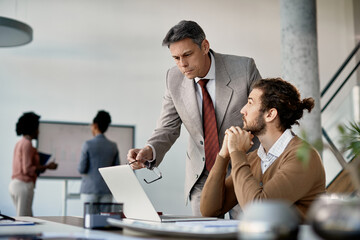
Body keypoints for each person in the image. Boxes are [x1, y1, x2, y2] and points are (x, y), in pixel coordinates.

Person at [127, 20, 261, 216]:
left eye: (187, 55)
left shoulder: (244, 68)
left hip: (243, 169)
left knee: (246, 231)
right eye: (176, 58)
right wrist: (150, 150)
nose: (182, 64)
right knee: (201, 233)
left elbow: (263, 116)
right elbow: (167, 127)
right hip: (202, 174)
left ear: (205, 46)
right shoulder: (173, 78)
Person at [200, 78, 326, 221]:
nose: (243, 110)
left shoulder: (303, 157)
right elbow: (209, 210)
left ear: (270, 114)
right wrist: (224, 156)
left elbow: (259, 212)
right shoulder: (254, 158)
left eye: (250, 103)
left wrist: (237, 153)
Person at [9, 112, 58, 216]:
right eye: (37, 128)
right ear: (32, 128)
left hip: (16, 185)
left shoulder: (20, 143)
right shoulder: (27, 144)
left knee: (26, 218)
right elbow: (27, 169)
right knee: (24, 220)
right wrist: (47, 166)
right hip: (23, 185)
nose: (39, 132)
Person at [78, 110, 120, 205]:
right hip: (107, 190)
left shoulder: (87, 144)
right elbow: (116, 169)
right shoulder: (113, 146)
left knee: (89, 219)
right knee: (105, 219)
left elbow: (81, 169)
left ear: (95, 125)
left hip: (90, 189)